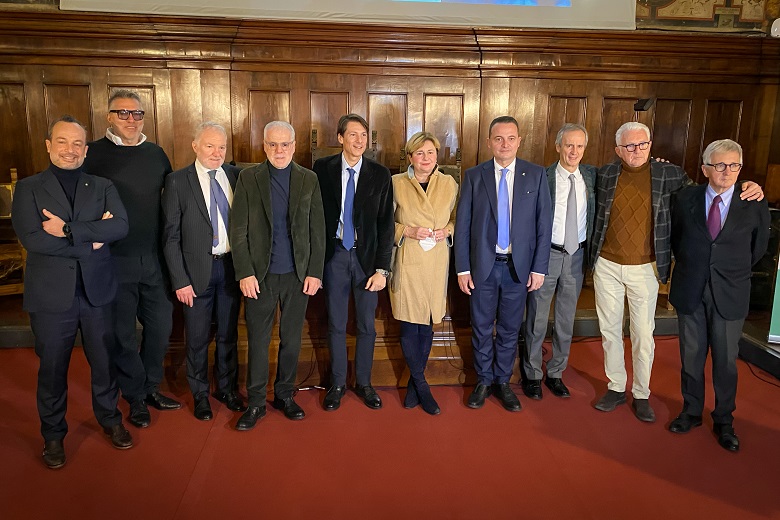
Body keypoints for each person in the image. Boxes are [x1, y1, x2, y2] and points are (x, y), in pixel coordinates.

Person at [589, 122, 763, 423]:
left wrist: (750, 184)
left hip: (646, 267)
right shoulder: (603, 175)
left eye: (642, 144)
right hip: (606, 265)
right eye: (629, 146)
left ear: (650, 144)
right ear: (618, 150)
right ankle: (616, 387)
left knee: (644, 334)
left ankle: (641, 393)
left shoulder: (671, 175)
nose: (636, 150)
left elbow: (711, 193)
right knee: (609, 331)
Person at [12, 116, 133, 469]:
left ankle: (110, 419)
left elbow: (120, 226)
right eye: (63, 142)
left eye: (78, 143)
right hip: (51, 297)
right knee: (52, 368)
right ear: (49, 145)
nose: (70, 150)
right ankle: (53, 435)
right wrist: (91, 239)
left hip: (97, 292)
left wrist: (65, 230)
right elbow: (32, 239)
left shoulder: (101, 185)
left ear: (86, 149)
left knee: (104, 363)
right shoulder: (29, 188)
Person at [82, 89, 180, 428]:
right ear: (109, 116)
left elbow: (171, 199)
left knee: (160, 328)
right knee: (123, 334)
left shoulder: (156, 154)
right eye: (122, 113)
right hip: (114, 260)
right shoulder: (91, 154)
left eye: (137, 114)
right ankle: (135, 396)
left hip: (153, 258)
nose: (130, 119)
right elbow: (78, 200)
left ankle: (151, 386)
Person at [668, 139, 769, 452]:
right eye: (720, 165)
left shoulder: (753, 202)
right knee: (691, 357)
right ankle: (692, 411)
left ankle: (724, 419)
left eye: (734, 166)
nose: (727, 172)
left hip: (731, 291)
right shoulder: (685, 198)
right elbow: (677, 241)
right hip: (691, 289)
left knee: (726, 362)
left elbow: (759, 248)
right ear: (705, 169)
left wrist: (727, 270)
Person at [230, 121, 325, 430]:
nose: (279, 150)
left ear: (294, 146)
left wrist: (314, 271)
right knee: (257, 341)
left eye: (285, 144)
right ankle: (256, 403)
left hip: (298, 276)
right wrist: (244, 272)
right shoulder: (248, 178)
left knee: (291, 341)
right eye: (273, 144)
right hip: (260, 277)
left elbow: (317, 230)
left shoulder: (308, 179)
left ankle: (285, 395)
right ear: (264, 146)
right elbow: (239, 231)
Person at [454, 115, 552, 412]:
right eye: (498, 138)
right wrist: (462, 268)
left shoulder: (535, 175)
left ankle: (502, 382)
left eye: (510, 138)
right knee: (482, 327)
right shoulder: (474, 176)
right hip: (483, 267)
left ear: (519, 141)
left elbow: (543, 225)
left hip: (518, 269)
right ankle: (483, 380)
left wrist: (539, 267)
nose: (505, 144)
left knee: (510, 329)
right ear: (489, 143)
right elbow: (463, 225)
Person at [162, 122, 245, 421]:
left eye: (221, 147)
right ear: (195, 146)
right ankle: (200, 394)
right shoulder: (177, 181)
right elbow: (170, 237)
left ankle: (226, 389)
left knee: (227, 335)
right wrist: (179, 280)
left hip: (230, 268)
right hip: (195, 274)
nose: (216, 152)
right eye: (210, 145)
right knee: (196, 338)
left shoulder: (236, 176)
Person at [313, 114, 394, 411]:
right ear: (340, 138)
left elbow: (386, 225)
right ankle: (336, 383)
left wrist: (382, 268)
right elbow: (314, 217)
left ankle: (364, 382)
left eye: (363, 136)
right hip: (334, 255)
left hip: (366, 259)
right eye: (353, 135)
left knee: (366, 326)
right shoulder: (322, 169)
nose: (359, 141)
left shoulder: (380, 174)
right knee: (334, 323)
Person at [522, 123, 595, 400]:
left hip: (576, 256)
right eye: (568, 145)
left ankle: (556, 373)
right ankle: (532, 374)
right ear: (558, 147)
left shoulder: (591, 176)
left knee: (566, 320)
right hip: (546, 255)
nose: (574, 151)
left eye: (579, 146)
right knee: (537, 319)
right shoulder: (543, 177)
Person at [389, 131, 458, 415]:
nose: (426, 158)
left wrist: (448, 230)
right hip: (408, 258)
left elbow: (456, 219)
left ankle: (414, 385)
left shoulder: (449, 183)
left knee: (428, 322)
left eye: (430, 152)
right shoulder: (395, 183)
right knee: (409, 322)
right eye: (419, 153)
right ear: (410, 157)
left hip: (436, 260)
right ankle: (422, 385)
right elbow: (384, 224)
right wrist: (407, 230)